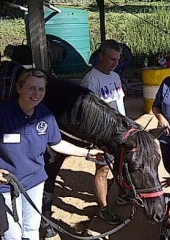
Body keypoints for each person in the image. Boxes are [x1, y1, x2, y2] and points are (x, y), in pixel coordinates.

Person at [0, 69, 103, 240]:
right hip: (6, 185)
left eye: (41, 89)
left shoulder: (45, 115)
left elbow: (57, 143)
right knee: (12, 234)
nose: (37, 94)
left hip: (34, 181)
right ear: (19, 88)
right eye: (31, 88)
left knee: (31, 230)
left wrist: (87, 153)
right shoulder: (3, 113)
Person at [80, 39, 126, 224]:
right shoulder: (90, 81)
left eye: (118, 60)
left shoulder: (115, 76)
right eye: (112, 59)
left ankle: (121, 194)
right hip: (101, 135)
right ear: (101, 56)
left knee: (120, 165)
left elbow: (119, 104)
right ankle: (104, 208)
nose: (115, 63)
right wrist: (97, 140)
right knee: (103, 170)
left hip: (119, 131)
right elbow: (87, 115)